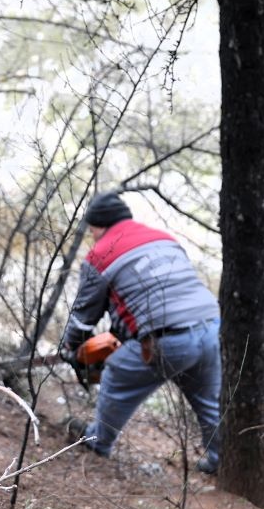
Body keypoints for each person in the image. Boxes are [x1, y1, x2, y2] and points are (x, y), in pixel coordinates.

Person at [58, 191, 221, 472]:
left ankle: (99, 440)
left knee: (116, 374)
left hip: (168, 340)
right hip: (213, 329)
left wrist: (70, 346)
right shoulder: (163, 238)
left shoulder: (100, 254)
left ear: (97, 225)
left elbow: (84, 318)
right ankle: (221, 460)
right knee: (209, 401)